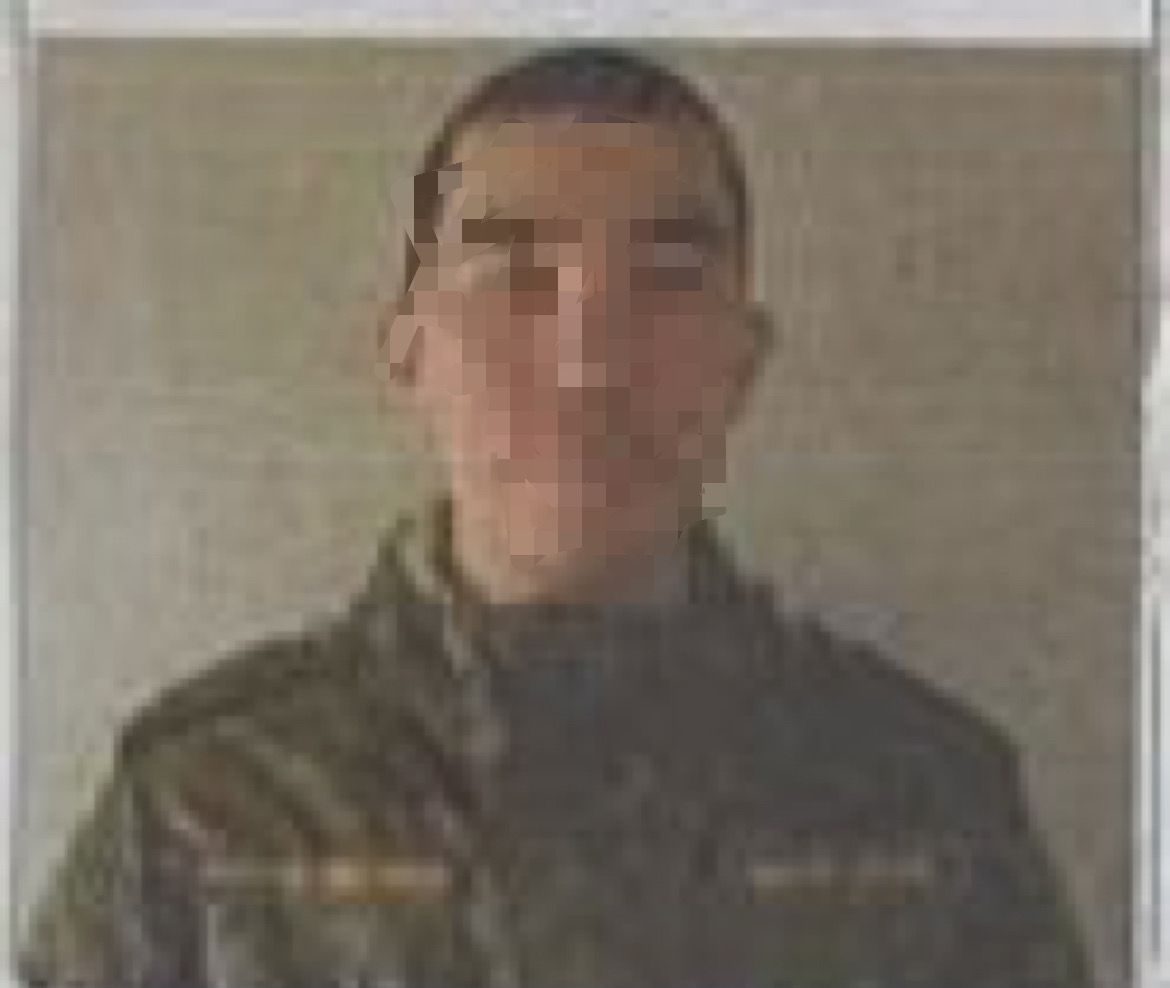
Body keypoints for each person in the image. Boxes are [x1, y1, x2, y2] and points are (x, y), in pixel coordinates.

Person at [19, 45, 1091, 988]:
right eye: (513, 276)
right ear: (410, 349)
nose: (587, 365)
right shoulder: (206, 806)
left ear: (743, 361)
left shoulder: (923, 800)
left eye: (667, 281)